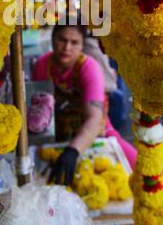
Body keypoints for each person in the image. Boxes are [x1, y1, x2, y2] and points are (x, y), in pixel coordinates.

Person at [32, 18, 137, 185]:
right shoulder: (41, 65)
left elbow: (94, 119)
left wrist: (73, 151)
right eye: (62, 40)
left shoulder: (89, 68)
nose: (67, 48)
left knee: (137, 166)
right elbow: (38, 111)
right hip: (56, 136)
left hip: (95, 132)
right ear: (52, 39)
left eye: (74, 42)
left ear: (82, 45)